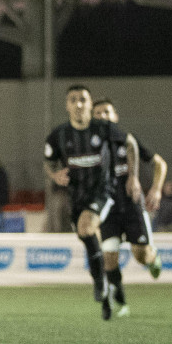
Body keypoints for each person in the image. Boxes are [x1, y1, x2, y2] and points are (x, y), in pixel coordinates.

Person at [44, 85, 124, 321]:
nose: (78, 104)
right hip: (76, 197)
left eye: (83, 99)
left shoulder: (105, 129)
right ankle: (104, 286)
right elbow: (48, 162)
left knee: (86, 227)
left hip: (103, 191)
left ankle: (100, 282)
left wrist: (132, 175)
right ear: (67, 105)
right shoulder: (58, 135)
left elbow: (130, 144)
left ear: (90, 104)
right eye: (73, 100)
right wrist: (54, 175)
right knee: (87, 237)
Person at [92, 98, 166, 317]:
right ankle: (122, 302)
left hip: (132, 206)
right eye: (97, 114)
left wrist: (157, 189)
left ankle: (154, 258)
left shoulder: (127, 140)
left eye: (106, 112)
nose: (102, 117)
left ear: (115, 116)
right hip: (108, 209)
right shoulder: (90, 147)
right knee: (109, 256)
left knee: (140, 255)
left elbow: (160, 164)